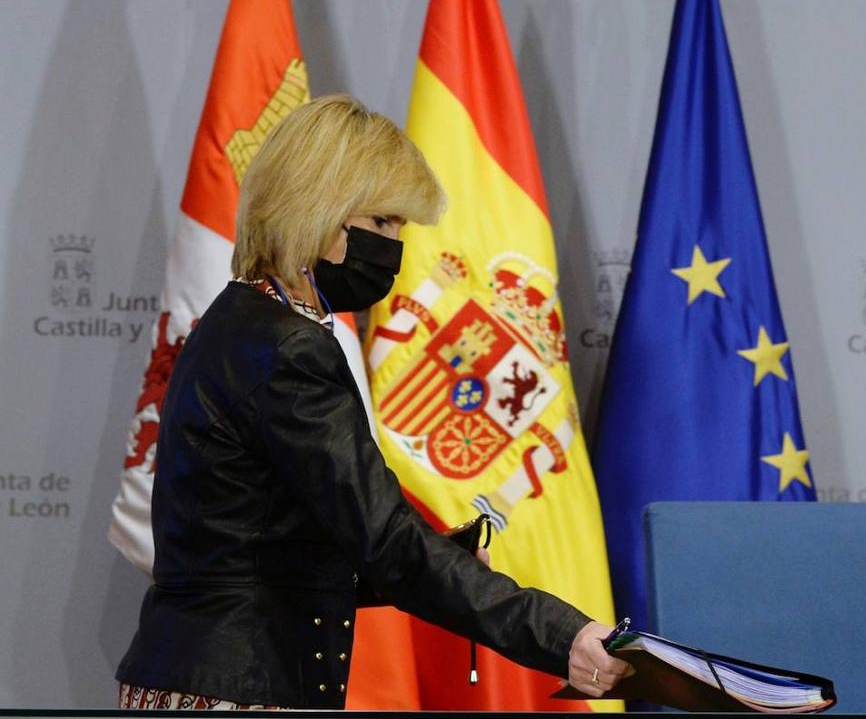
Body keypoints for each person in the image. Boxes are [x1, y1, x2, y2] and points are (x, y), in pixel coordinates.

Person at [115, 95, 630, 709]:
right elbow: (386, 542)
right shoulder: (290, 349)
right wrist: (564, 635)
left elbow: (262, 552)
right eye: (384, 222)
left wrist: (443, 559)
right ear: (318, 210)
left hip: (199, 677)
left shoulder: (238, 321)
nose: (395, 248)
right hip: (238, 693)